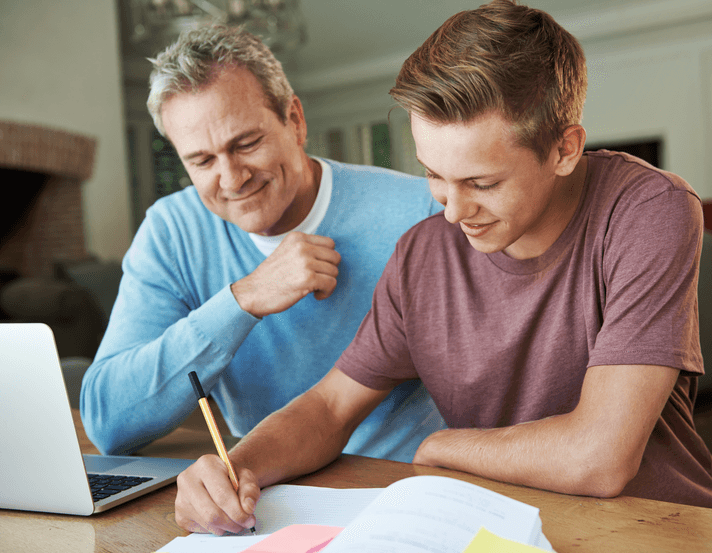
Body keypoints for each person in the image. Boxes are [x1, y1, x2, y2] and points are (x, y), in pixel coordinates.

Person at [173, 0, 712, 535]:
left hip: (662, 530)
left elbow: (600, 458)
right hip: (502, 531)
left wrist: (443, 447)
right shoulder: (422, 253)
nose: (453, 210)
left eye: (482, 183)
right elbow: (329, 407)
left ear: (565, 149)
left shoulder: (648, 209)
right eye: (434, 174)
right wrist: (236, 468)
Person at [79, 24, 447, 462]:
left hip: (401, 482)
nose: (232, 178)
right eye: (202, 160)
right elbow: (108, 423)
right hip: (266, 483)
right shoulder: (171, 232)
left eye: (246, 143)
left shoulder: (421, 210)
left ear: (294, 120)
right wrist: (242, 300)